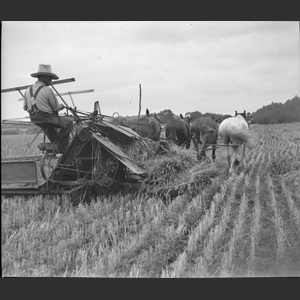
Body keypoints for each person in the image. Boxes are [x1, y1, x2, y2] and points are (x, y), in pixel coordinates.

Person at [23, 64, 74, 151]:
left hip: (34, 119)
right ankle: (58, 145)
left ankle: (57, 145)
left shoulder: (28, 90)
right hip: (47, 118)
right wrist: (62, 106)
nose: (51, 81)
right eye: (50, 78)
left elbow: (25, 107)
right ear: (45, 77)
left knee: (47, 127)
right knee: (69, 122)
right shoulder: (47, 90)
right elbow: (56, 108)